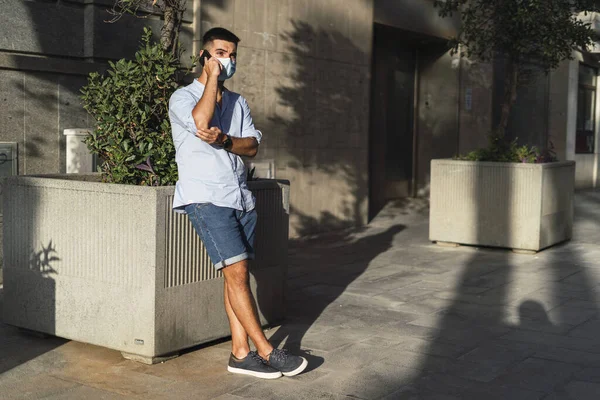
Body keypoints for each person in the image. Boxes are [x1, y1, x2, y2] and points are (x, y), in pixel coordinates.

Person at [168, 27, 308, 379]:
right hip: (206, 197)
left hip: (239, 198)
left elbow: (250, 147)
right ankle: (266, 350)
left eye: (230, 55)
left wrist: (227, 139)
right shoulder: (182, 98)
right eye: (219, 53)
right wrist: (212, 79)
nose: (226, 60)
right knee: (239, 273)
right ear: (203, 56)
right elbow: (201, 121)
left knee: (234, 277)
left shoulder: (238, 101)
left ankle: (240, 353)